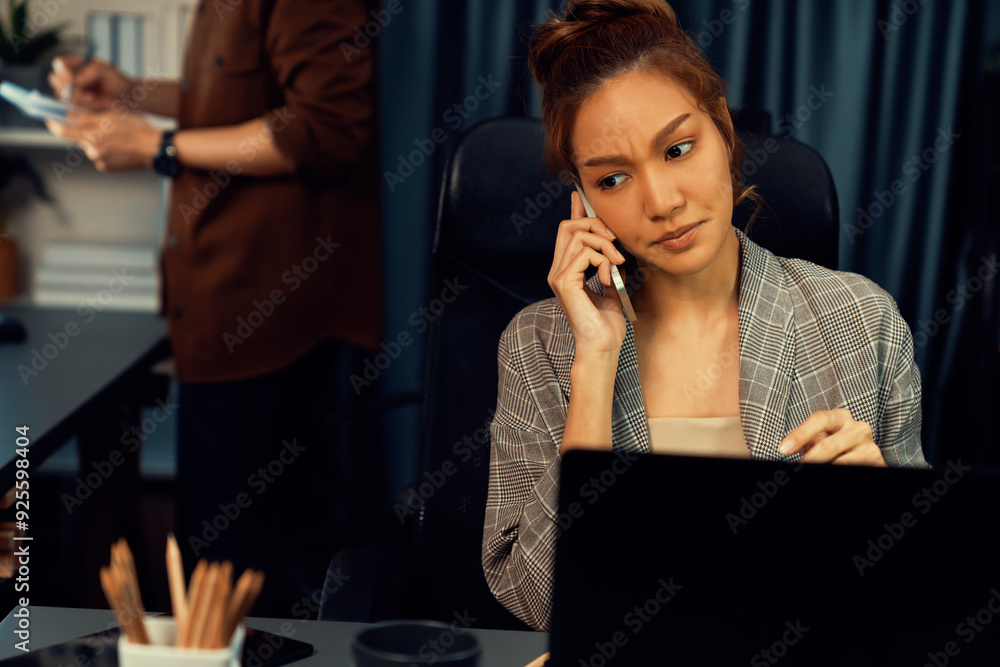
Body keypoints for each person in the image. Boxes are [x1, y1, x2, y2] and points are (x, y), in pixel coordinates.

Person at [482, 0, 929, 631]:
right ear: (580, 200)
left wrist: (880, 508)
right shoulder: (539, 344)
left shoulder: (859, 320)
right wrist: (595, 364)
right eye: (612, 180)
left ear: (723, 130)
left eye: (679, 148)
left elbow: (921, 594)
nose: (661, 201)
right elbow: (541, 601)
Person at [47, 0, 381, 615]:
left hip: (263, 327)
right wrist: (129, 93)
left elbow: (327, 129)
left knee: (231, 583)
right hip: (219, 320)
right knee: (217, 563)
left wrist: (158, 146)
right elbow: (232, 105)